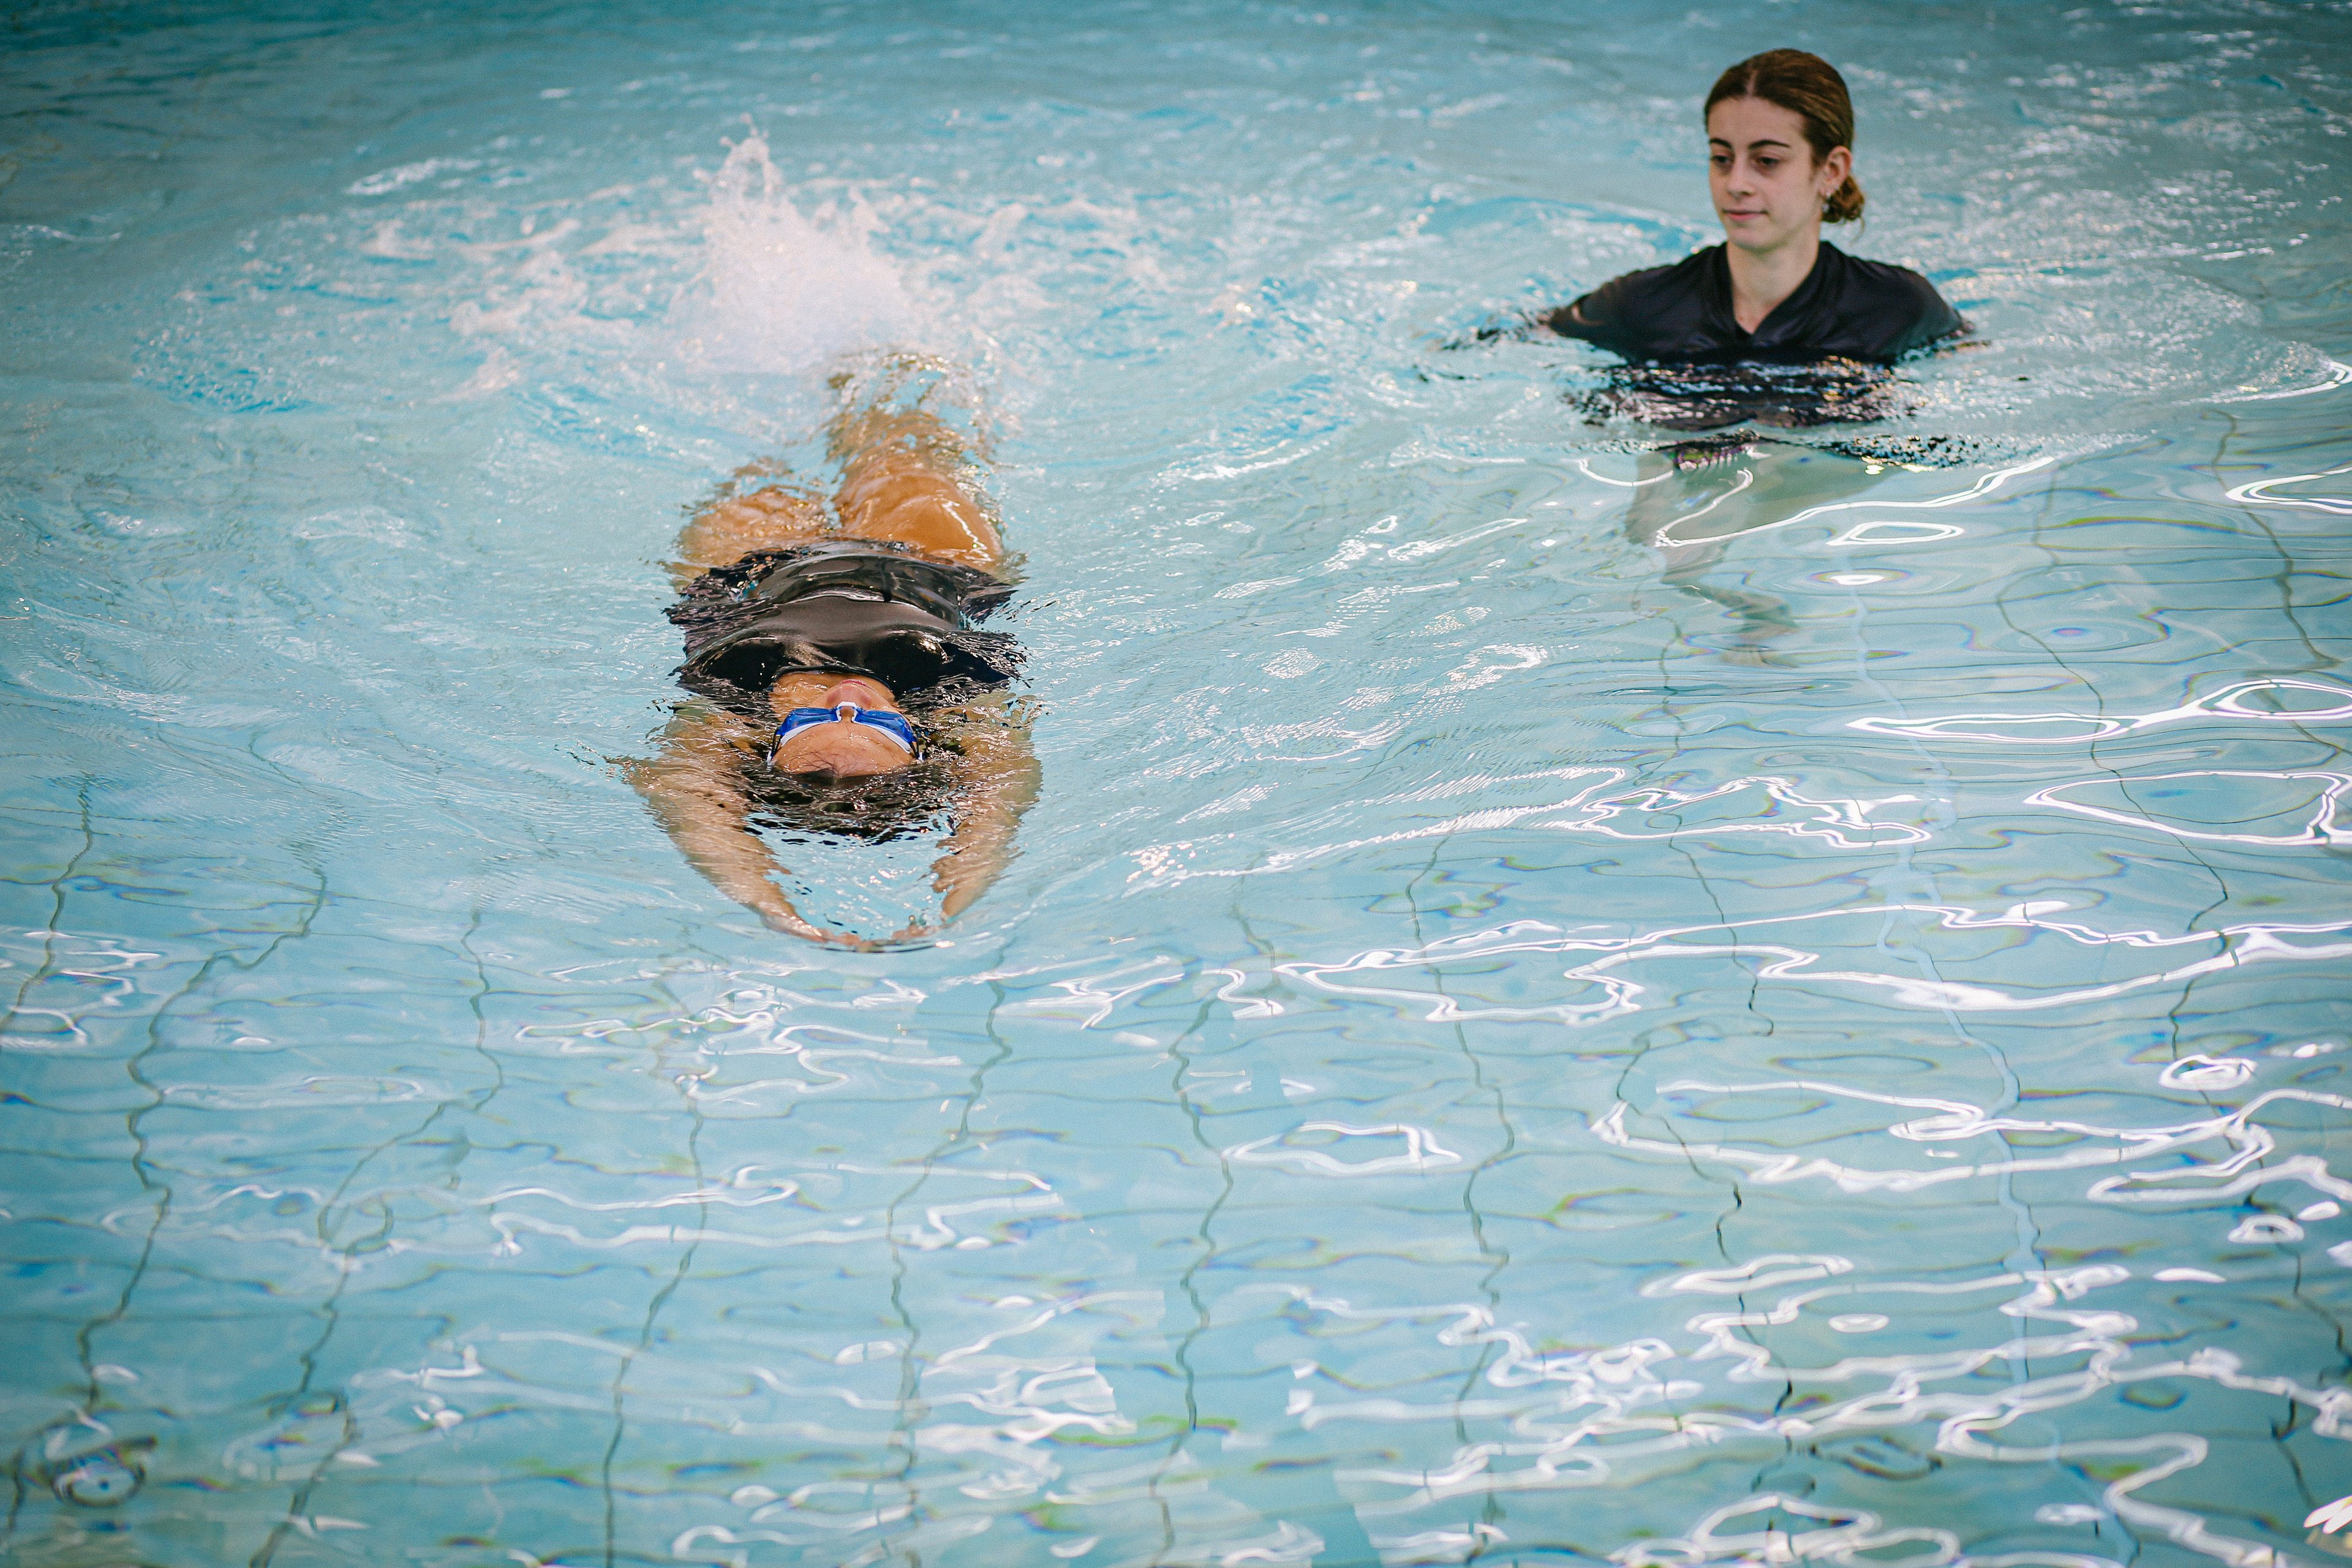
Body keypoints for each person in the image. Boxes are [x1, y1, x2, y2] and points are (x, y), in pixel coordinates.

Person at [628, 356, 1038, 947]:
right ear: (919, 741)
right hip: (926, 557)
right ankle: (876, 362)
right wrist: (954, 905)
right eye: (878, 724)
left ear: (772, 740)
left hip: (751, 567)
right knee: (897, 436)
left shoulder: (734, 707)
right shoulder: (954, 697)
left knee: (758, 462)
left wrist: (774, 909)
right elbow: (996, 805)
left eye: (812, 719)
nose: (847, 698)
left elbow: (691, 804)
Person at [1547, 48, 1963, 366]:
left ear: (1831, 171)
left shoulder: (1897, 308)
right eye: (1721, 158)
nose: (1736, 184)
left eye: (1766, 161)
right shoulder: (1642, 307)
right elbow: (1530, 346)